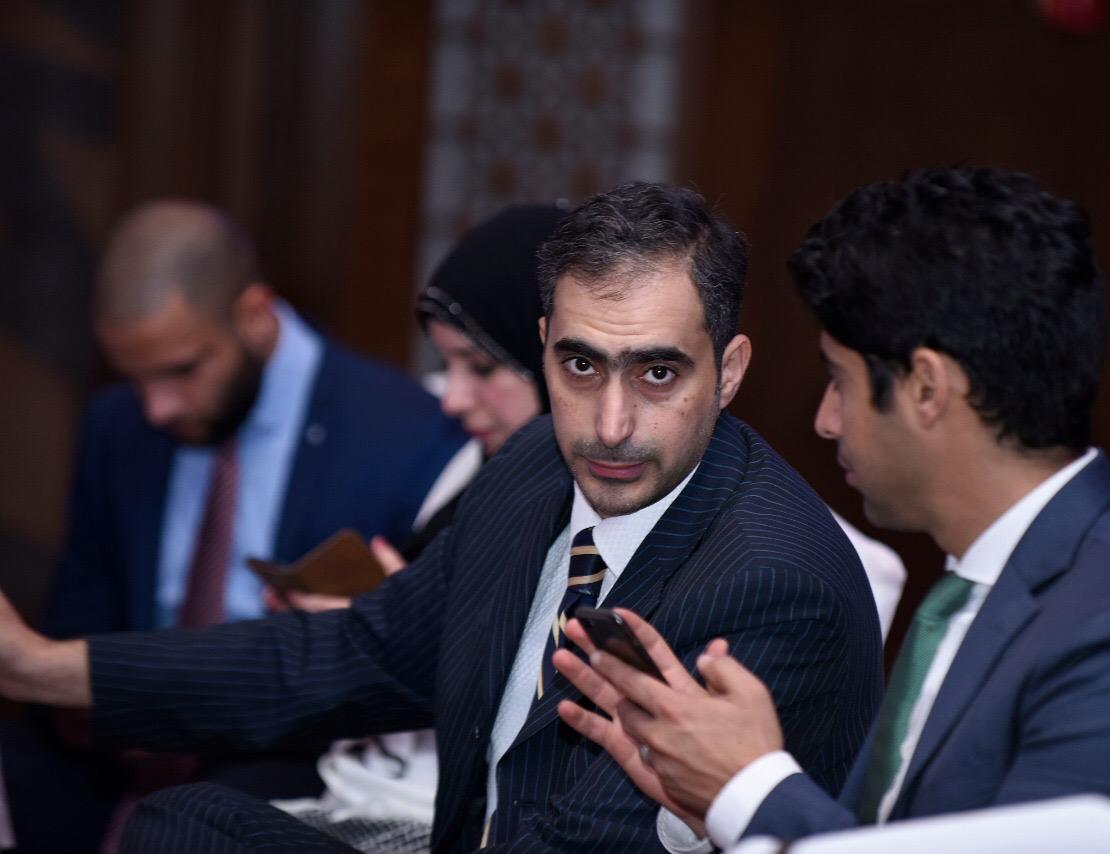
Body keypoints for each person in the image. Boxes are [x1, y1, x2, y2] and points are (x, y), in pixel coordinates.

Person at [0, 182, 883, 852]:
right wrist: (43, 668)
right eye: (580, 367)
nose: (610, 425)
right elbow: (350, 653)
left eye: (657, 374)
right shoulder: (535, 466)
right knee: (183, 822)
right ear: (543, 346)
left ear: (728, 372)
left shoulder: (770, 580)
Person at [553, 167, 1110, 853]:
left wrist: (752, 791)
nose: (826, 420)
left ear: (926, 388)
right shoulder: (982, 589)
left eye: (839, 380)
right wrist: (711, 805)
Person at [2, 200, 468, 851]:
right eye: (134, 378)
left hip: (295, 760)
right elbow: (82, 609)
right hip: (118, 738)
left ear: (254, 315)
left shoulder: (407, 433)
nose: (158, 408)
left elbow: (402, 676)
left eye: (183, 371)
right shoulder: (116, 425)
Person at [269, 202, 567, 851]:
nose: (452, 398)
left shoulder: (600, 506)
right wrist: (370, 611)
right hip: (367, 777)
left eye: (480, 367)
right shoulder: (476, 466)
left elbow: (536, 689)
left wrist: (397, 628)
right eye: (447, 365)